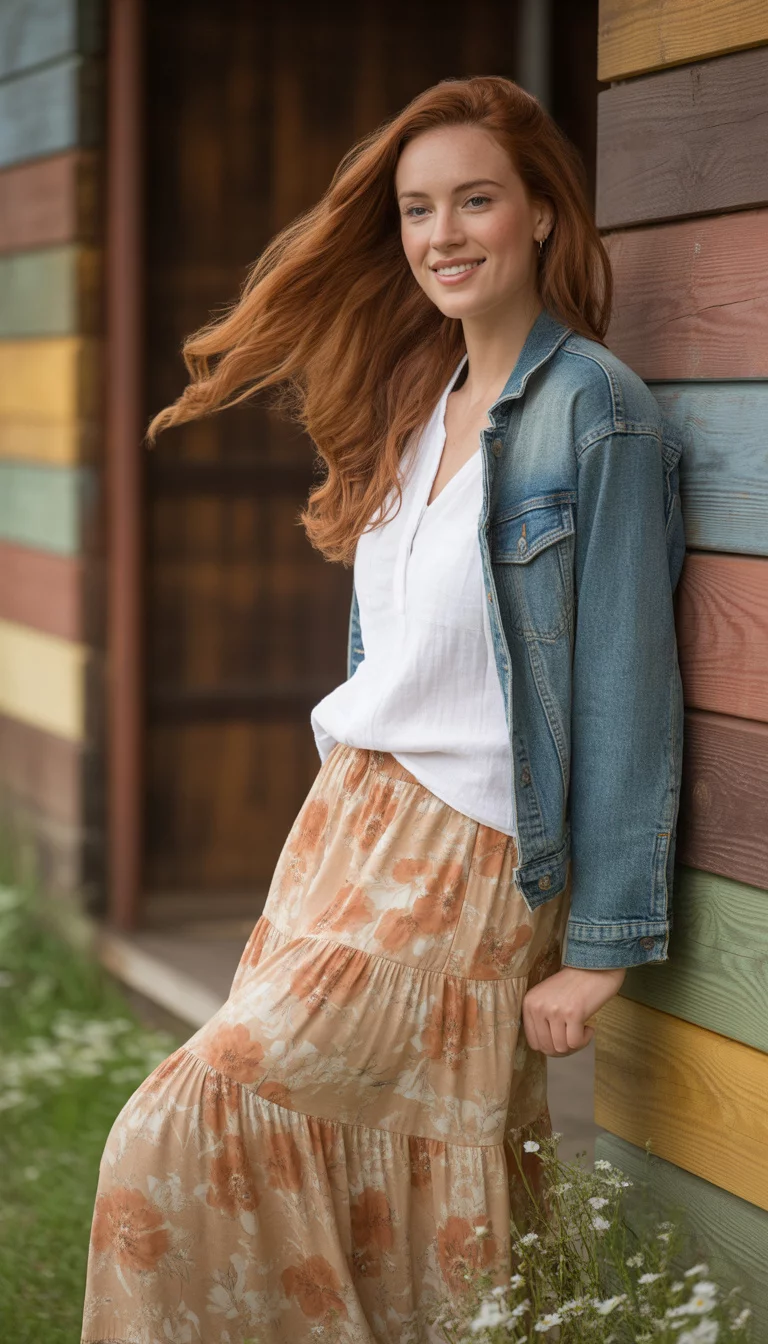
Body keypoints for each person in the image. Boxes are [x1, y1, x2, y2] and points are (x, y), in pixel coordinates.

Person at [80, 75, 686, 1343]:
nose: (444, 234)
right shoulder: (420, 400)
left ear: (541, 217)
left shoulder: (596, 412)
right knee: (363, 1169)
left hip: (464, 855)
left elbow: (628, 682)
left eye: (476, 200)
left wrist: (603, 946)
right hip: (341, 830)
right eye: (419, 209)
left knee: (176, 1128)